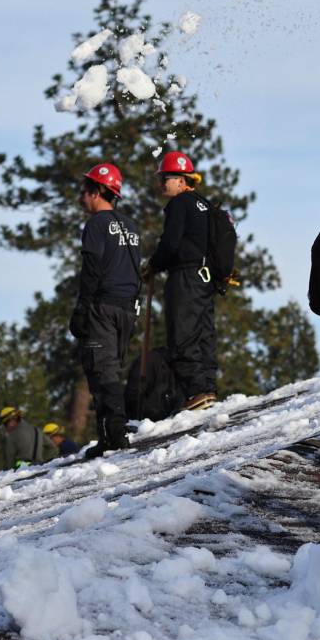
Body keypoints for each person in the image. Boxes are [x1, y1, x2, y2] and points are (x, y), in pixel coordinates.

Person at [69, 163, 141, 459]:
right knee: (112, 366)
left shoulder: (97, 225)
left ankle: (114, 435)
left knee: (102, 369)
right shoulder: (130, 226)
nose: (81, 198)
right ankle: (112, 431)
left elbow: (92, 269)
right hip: (127, 307)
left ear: (98, 192)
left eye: (84, 191)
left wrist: (82, 308)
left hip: (103, 305)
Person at [142, 151, 218, 412]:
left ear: (183, 179)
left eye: (168, 177)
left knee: (183, 331)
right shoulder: (204, 204)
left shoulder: (179, 203)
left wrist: (154, 264)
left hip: (185, 275)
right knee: (203, 331)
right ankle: (207, 386)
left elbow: (171, 242)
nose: (163, 182)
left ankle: (196, 391)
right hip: (205, 276)